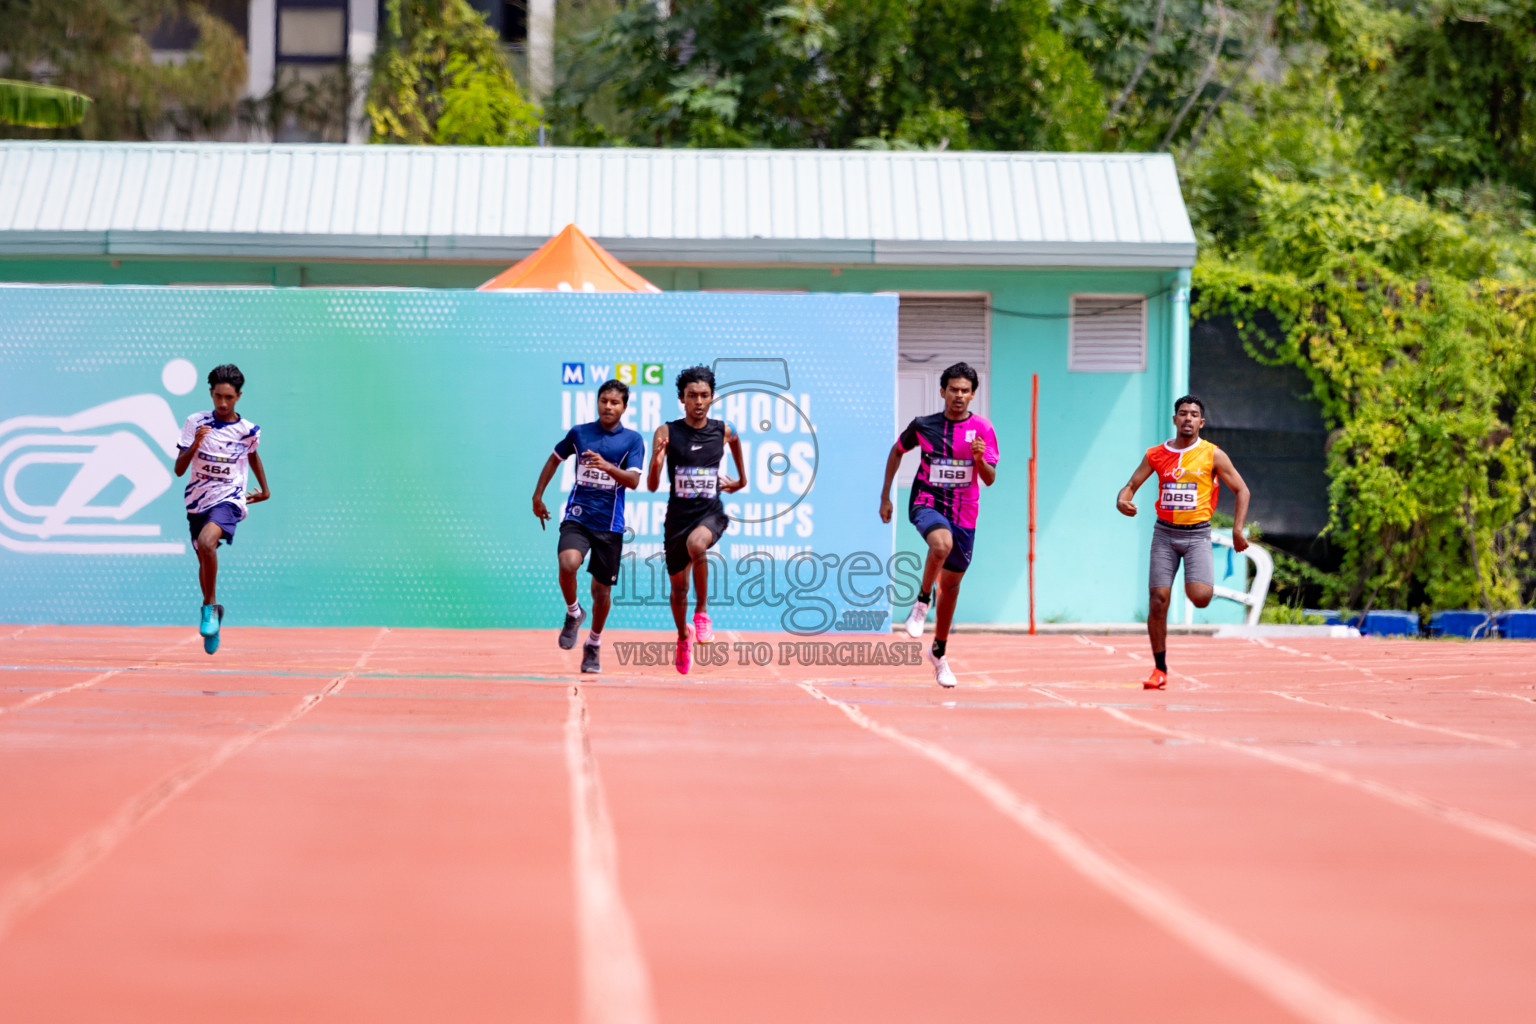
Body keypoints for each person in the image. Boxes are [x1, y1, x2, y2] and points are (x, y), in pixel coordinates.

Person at [1116, 394, 1251, 690]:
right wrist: (1122, 500)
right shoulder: (1155, 454)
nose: (1188, 418)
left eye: (1193, 415)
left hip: (1197, 535)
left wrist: (1238, 530)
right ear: (1175, 419)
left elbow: (1242, 490)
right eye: (1183, 413)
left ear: (1201, 422)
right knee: (1158, 600)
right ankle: (1159, 669)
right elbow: (1130, 486)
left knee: (1200, 597)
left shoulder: (1213, 455)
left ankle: (1197, 579)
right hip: (1164, 534)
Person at [879, 361, 999, 688]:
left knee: (954, 586)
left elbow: (989, 479)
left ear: (973, 395)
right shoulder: (924, 426)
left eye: (965, 391)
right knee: (940, 545)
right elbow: (896, 451)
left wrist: (978, 459)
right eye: (953, 390)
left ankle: (939, 653)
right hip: (927, 503)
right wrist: (885, 497)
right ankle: (921, 601)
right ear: (942, 391)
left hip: (965, 513)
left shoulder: (984, 430)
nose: (958, 396)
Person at [532, 379, 646, 674]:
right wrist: (538, 495)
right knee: (568, 562)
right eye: (604, 401)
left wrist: (606, 466)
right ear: (597, 402)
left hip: (610, 525)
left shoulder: (632, 440)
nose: (608, 406)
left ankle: (593, 644)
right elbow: (554, 459)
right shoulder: (580, 433)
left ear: (624, 406)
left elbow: (633, 481)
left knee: (601, 593)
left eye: (615, 402)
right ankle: (573, 613)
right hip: (578, 516)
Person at [647, 365, 747, 675]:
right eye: (692, 396)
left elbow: (736, 441)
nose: (699, 401)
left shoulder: (722, 429)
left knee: (697, 543)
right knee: (678, 591)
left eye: (704, 395)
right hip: (677, 518)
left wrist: (741, 481)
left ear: (712, 397)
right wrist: (657, 461)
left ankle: (702, 613)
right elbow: (651, 485)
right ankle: (682, 636)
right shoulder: (666, 432)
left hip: (710, 513)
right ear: (682, 398)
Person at [173, 364, 269, 655]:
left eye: (229, 397)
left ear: (239, 396)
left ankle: (208, 609)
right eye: (218, 396)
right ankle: (213, 608)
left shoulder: (248, 430)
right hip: (197, 501)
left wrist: (265, 490)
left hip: (230, 497)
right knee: (203, 556)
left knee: (207, 542)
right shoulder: (195, 423)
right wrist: (194, 446)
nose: (223, 403)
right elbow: (179, 470)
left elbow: (252, 456)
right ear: (211, 394)